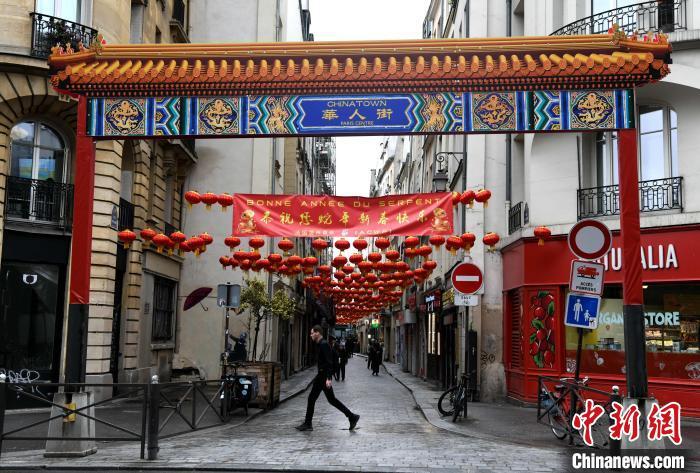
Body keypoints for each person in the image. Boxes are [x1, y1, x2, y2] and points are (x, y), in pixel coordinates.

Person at [295, 326, 360, 432]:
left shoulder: (324, 344)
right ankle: (352, 416)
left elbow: (329, 362)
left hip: (323, 376)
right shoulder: (321, 344)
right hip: (322, 375)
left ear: (317, 333)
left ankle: (308, 423)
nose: (311, 335)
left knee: (312, 399)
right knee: (331, 400)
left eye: (312, 333)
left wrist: (328, 378)